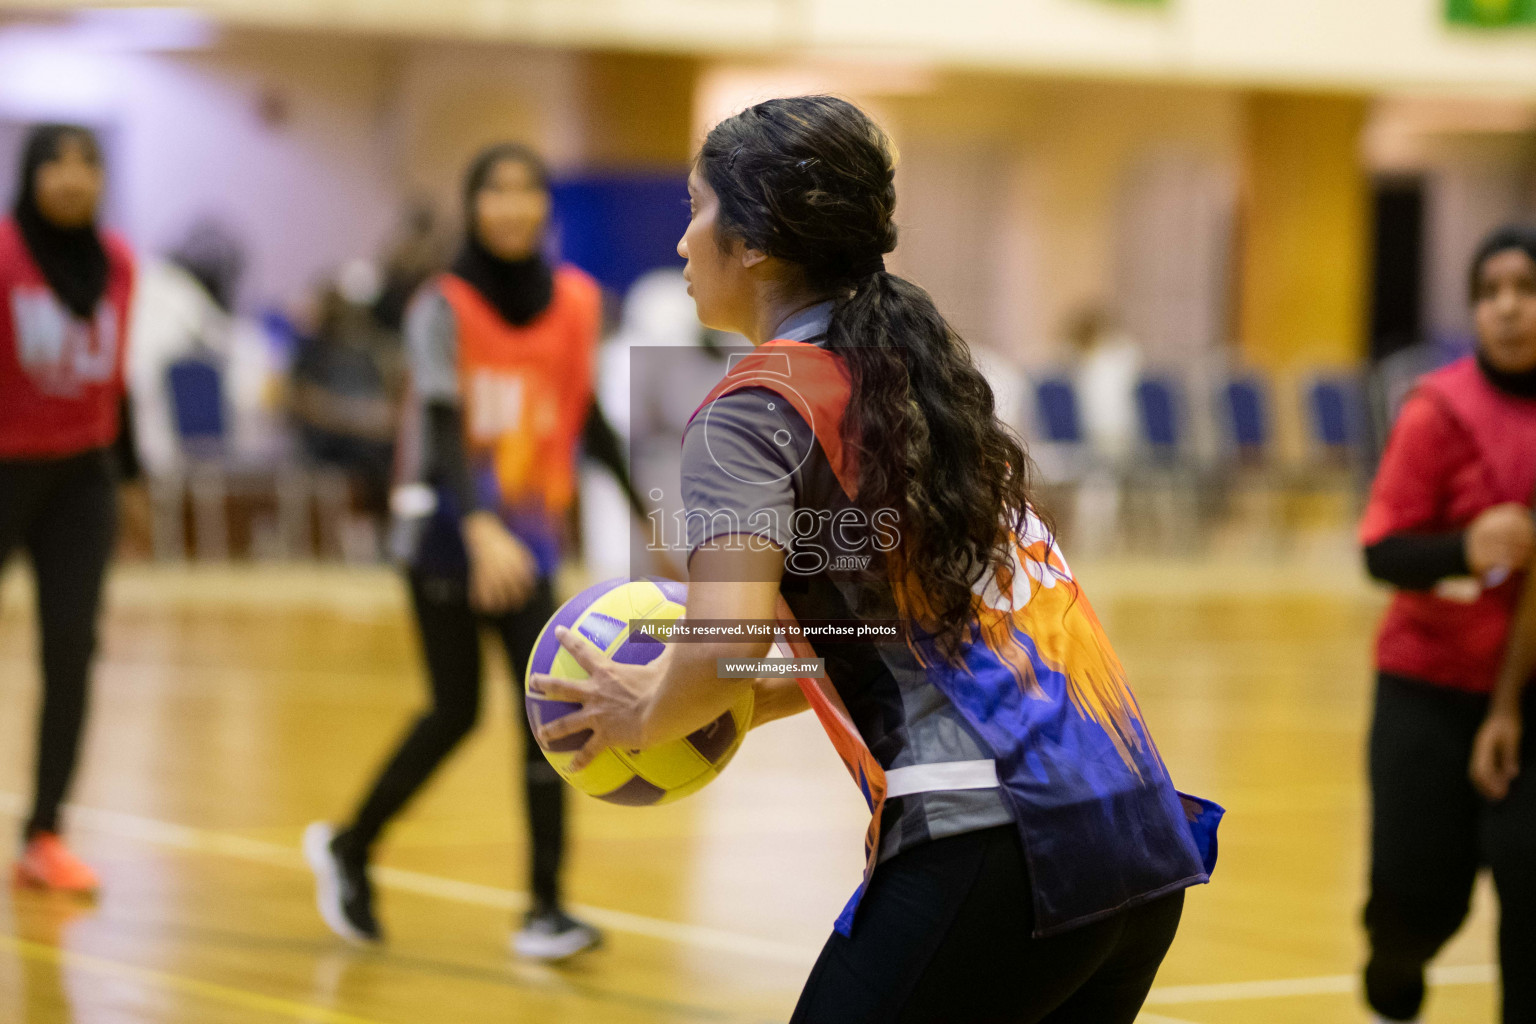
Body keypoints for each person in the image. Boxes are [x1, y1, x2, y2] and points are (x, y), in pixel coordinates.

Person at [530, 96, 1219, 1024]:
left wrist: (648, 707)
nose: (684, 242)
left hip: (1000, 840)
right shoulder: (916, 379)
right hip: (1131, 826)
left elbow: (718, 641)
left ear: (758, 241)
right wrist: (751, 698)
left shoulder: (753, 409)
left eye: (698, 210)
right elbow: (916, 626)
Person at [304, 143, 603, 959]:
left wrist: (656, 514)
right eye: (494, 191)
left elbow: (587, 407)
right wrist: (475, 527)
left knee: (554, 715)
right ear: (472, 206)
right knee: (456, 711)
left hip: (531, 537)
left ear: (547, 207)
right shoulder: (443, 304)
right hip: (446, 532)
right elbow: (439, 427)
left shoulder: (576, 300)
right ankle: (350, 847)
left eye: (527, 191)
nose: (512, 206)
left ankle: (545, 909)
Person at [1359, 224, 1536, 1024]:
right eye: (1490, 291)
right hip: (1427, 685)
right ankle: (1396, 960)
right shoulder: (1439, 409)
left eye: (1526, 290)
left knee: (1529, 880)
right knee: (1420, 902)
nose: (1508, 308)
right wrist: (1467, 546)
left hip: (1525, 689)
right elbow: (1381, 551)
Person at [1, 124, 134, 895]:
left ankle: (45, 832)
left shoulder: (116, 261)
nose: (73, 177)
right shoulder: (5, 254)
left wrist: (134, 481)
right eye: (56, 161)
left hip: (82, 477)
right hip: (4, 467)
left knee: (71, 651)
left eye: (88, 162)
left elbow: (120, 381)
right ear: (30, 173)